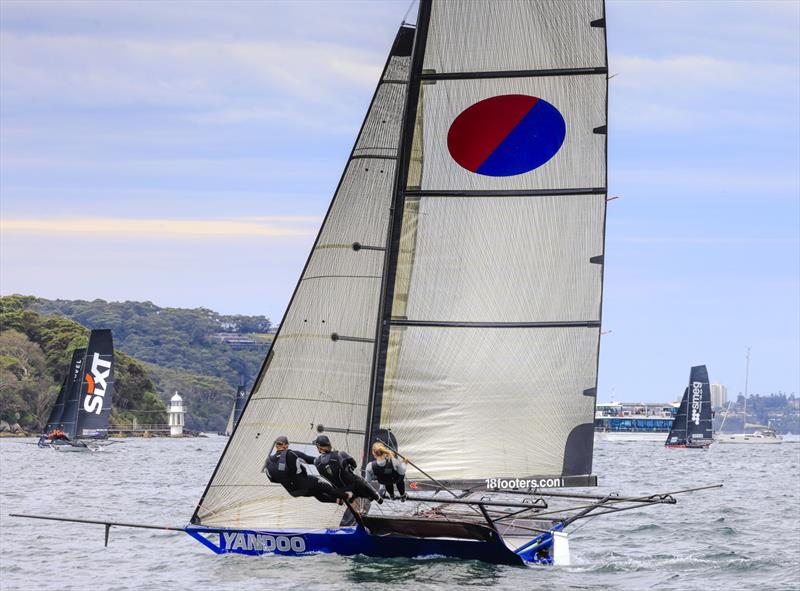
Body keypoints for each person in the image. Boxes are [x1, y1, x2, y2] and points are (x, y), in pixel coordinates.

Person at [263, 435, 351, 504]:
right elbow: (314, 461)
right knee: (325, 486)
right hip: (305, 485)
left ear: (276, 446)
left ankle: (337, 501)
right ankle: (347, 496)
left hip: (294, 492)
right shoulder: (292, 454)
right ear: (286, 445)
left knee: (317, 493)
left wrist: (287, 478)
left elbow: (272, 479)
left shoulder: (268, 461)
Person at [312, 435, 381, 504]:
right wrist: (348, 468)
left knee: (342, 490)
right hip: (354, 486)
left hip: (339, 492)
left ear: (319, 447)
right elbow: (354, 464)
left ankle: (351, 500)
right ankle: (376, 497)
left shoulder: (316, 462)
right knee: (358, 481)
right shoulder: (340, 454)